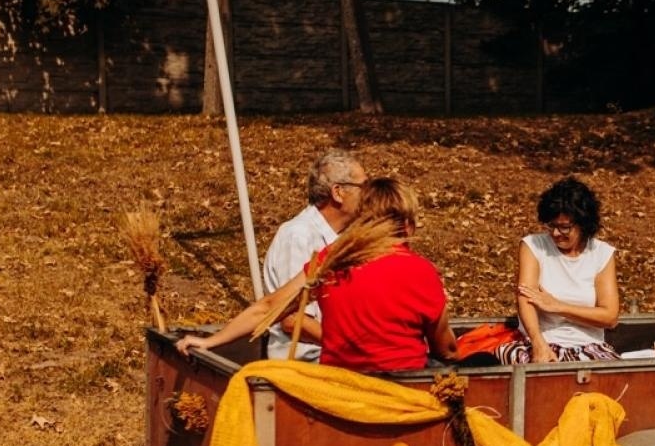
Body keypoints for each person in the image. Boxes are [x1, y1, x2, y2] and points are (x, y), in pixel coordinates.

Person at [177, 177, 456, 372]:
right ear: (407, 227)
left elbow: (269, 307)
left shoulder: (332, 260)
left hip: (338, 383)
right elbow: (445, 348)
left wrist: (211, 341)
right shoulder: (422, 271)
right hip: (402, 391)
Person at [500, 176, 621, 363]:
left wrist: (558, 307)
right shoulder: (534, 246)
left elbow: (609, 316)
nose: (556, 233)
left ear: (583, 224)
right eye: (552, 226)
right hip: (541, 341)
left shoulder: (601, 253)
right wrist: (538, 343)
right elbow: (525, 298)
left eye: (564, 228)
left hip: (588, 345)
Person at [261, 148, 366, 361]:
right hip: (307, 362)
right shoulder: (299, 236)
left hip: (334, 356)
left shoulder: (345, 237)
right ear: (338, 192)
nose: (369, 194)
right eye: (363, 186)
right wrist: (351, 350)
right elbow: (293, 319)